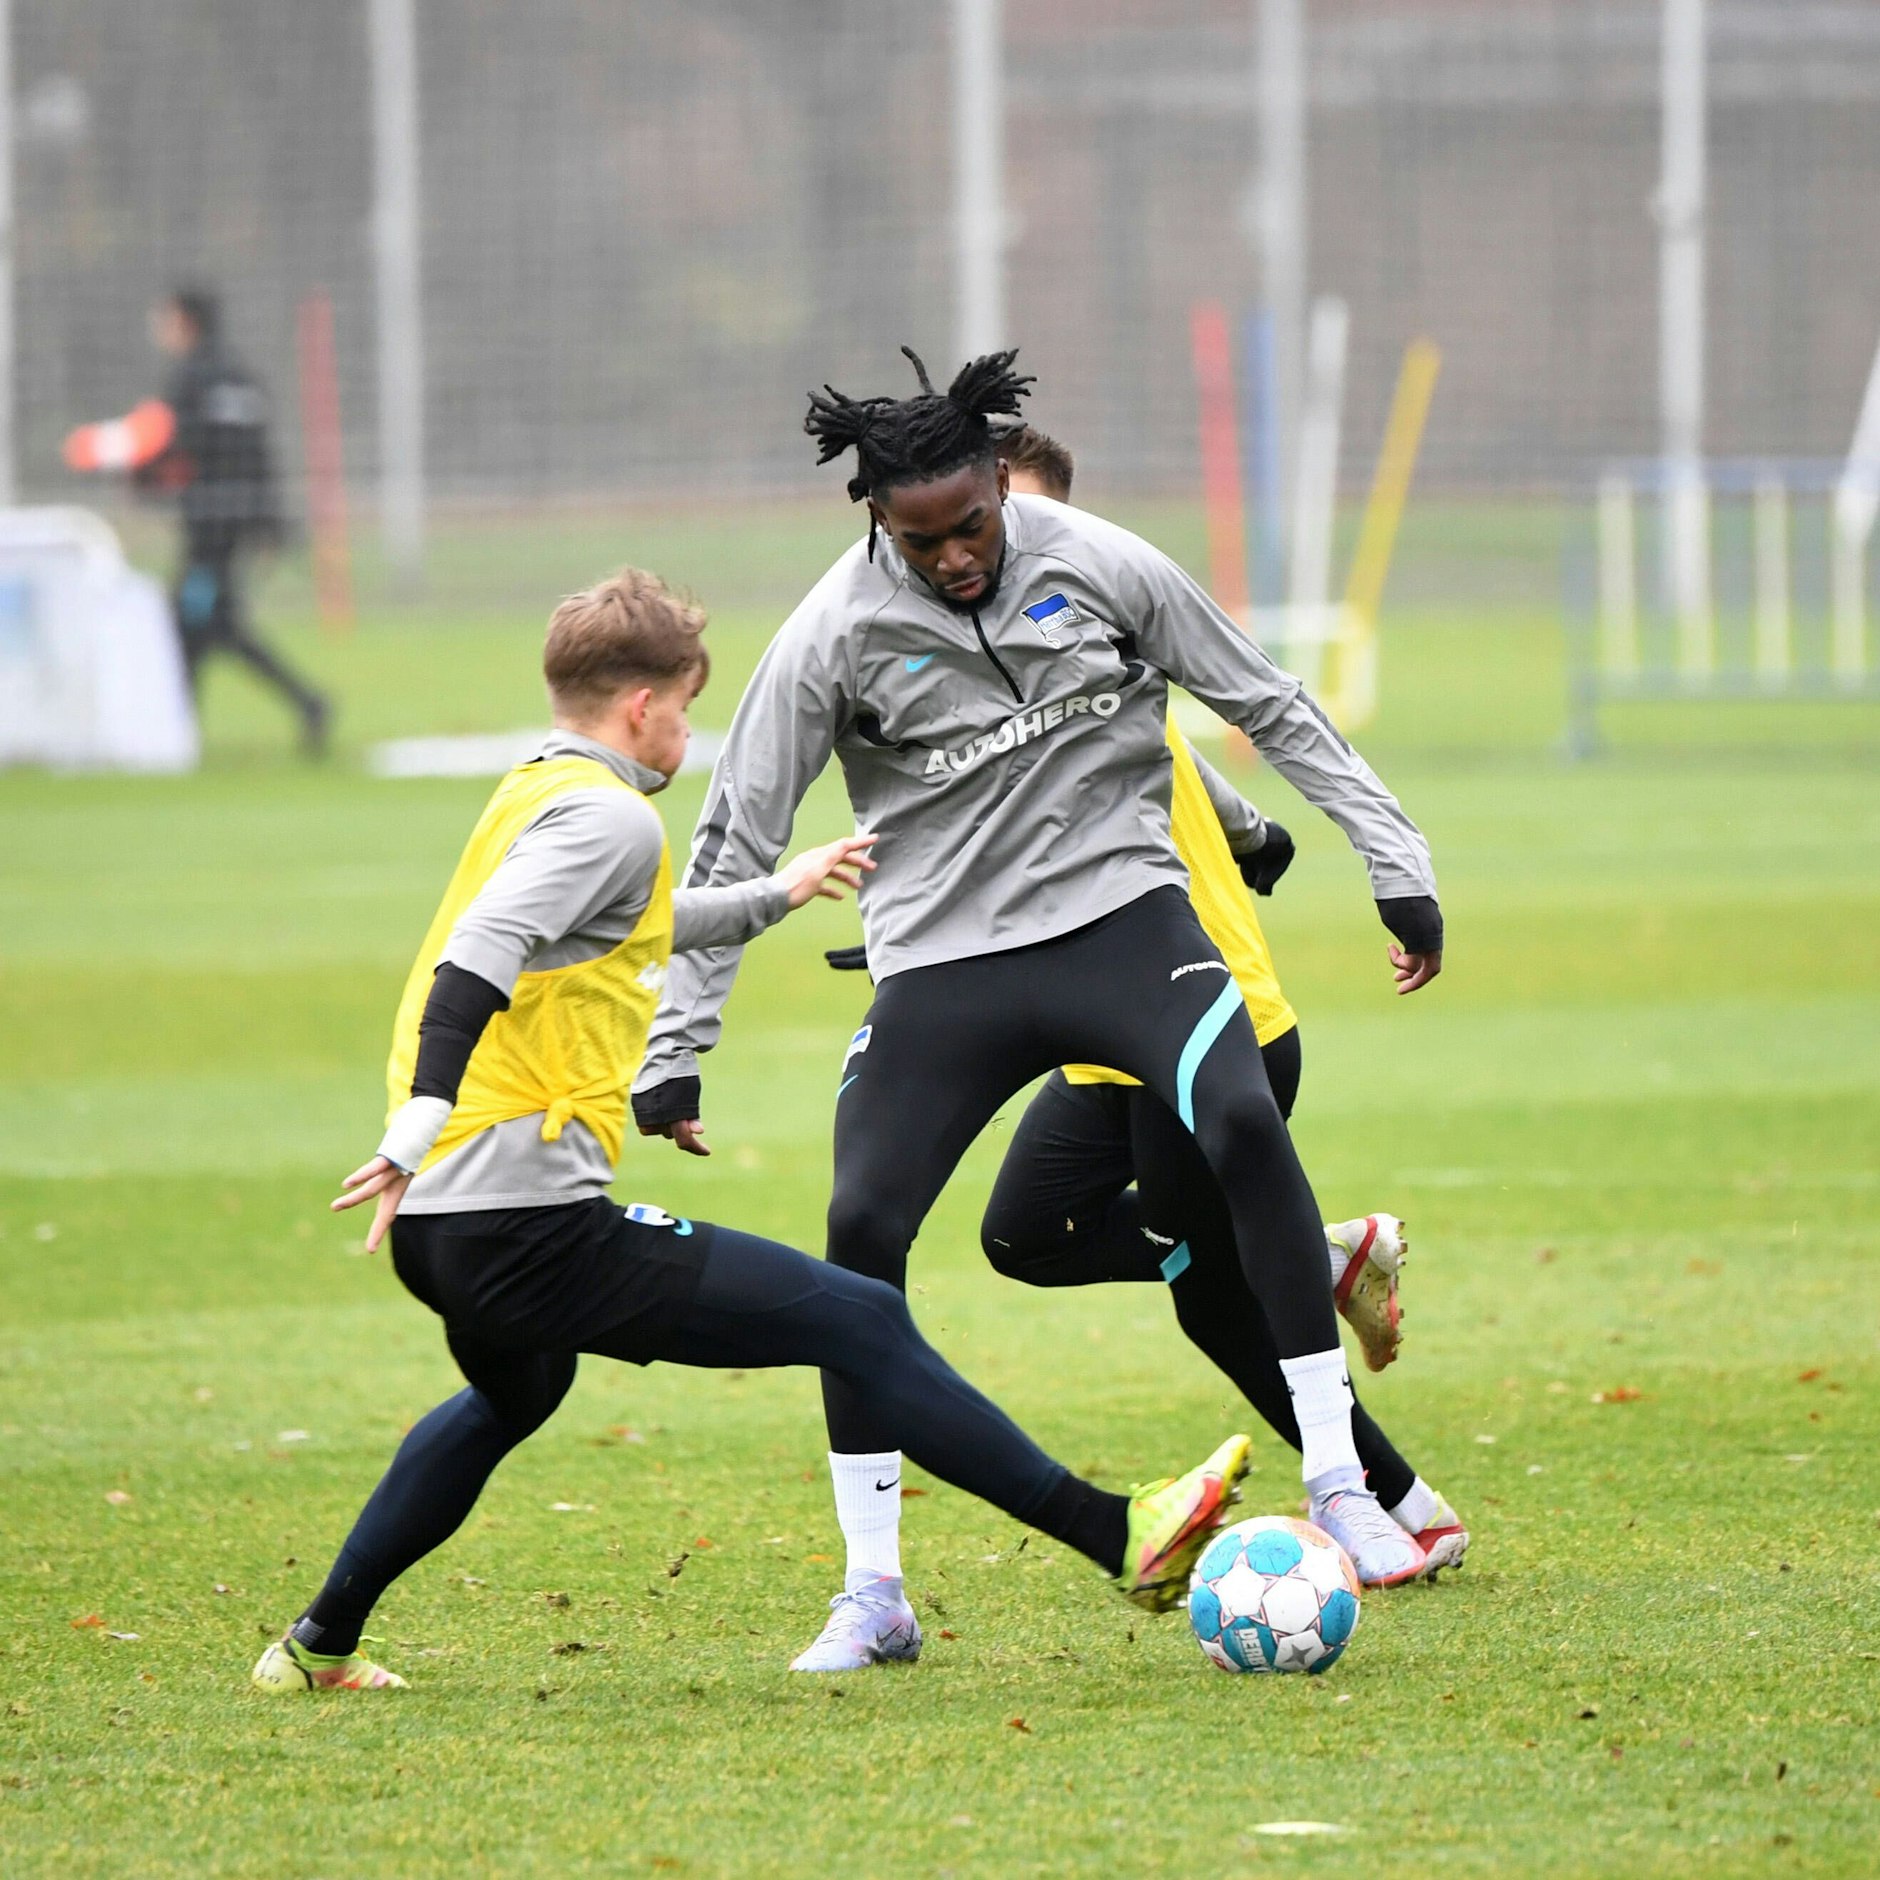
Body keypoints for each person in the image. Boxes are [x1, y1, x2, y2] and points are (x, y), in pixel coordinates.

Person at [251, 566, 1251, 1695]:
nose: (687, 727)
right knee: (860, 1317)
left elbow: (621, 922)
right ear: (643, 707)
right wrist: (415, 1117)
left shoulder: (536, 787)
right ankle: (1119, 1535)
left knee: (513, 1392)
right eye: (685, 703)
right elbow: (478, 950)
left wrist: (776, 892)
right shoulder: (611, 814)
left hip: (450, 1221)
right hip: (517, 1216)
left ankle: (316, 1646)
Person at [632, 348, 1446, 1675]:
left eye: (974, 524)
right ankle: (874, 1591)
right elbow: (738, 836)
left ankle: (1343, 1486)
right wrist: (679, 1048)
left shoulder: (1104, 564)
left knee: (1242, 1120)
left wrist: (1395, 864)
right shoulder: (830, 635)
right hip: (944, 966)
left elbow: (1269, 705)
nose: (957, 555)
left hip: (1126, 925)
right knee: (859, 1238)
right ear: (877, 521)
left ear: (999, 487)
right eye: (924, 537)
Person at [969, 426, 1467, 1573]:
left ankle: (1397, 1504)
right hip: (1099, 1041)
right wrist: (1254, 830)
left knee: (1211, 1296)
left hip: (1199, 1018)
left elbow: (1182, 739)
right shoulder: (980, 661)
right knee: (1022, 1232)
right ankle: (1318, 1250)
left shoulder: (1090, 625)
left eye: (1024, 517)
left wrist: (1303, 840)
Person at [64, 287, 331, 755]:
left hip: (208, 523)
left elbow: (169, 445)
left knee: (191, 623)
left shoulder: (188, 380)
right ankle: (292, 706)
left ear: (185, 321)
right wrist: (271, 525)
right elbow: (261, 458)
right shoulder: (244, 378)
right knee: (211, 625)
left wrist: (135, 476)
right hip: (240, 520)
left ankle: (187, 730)